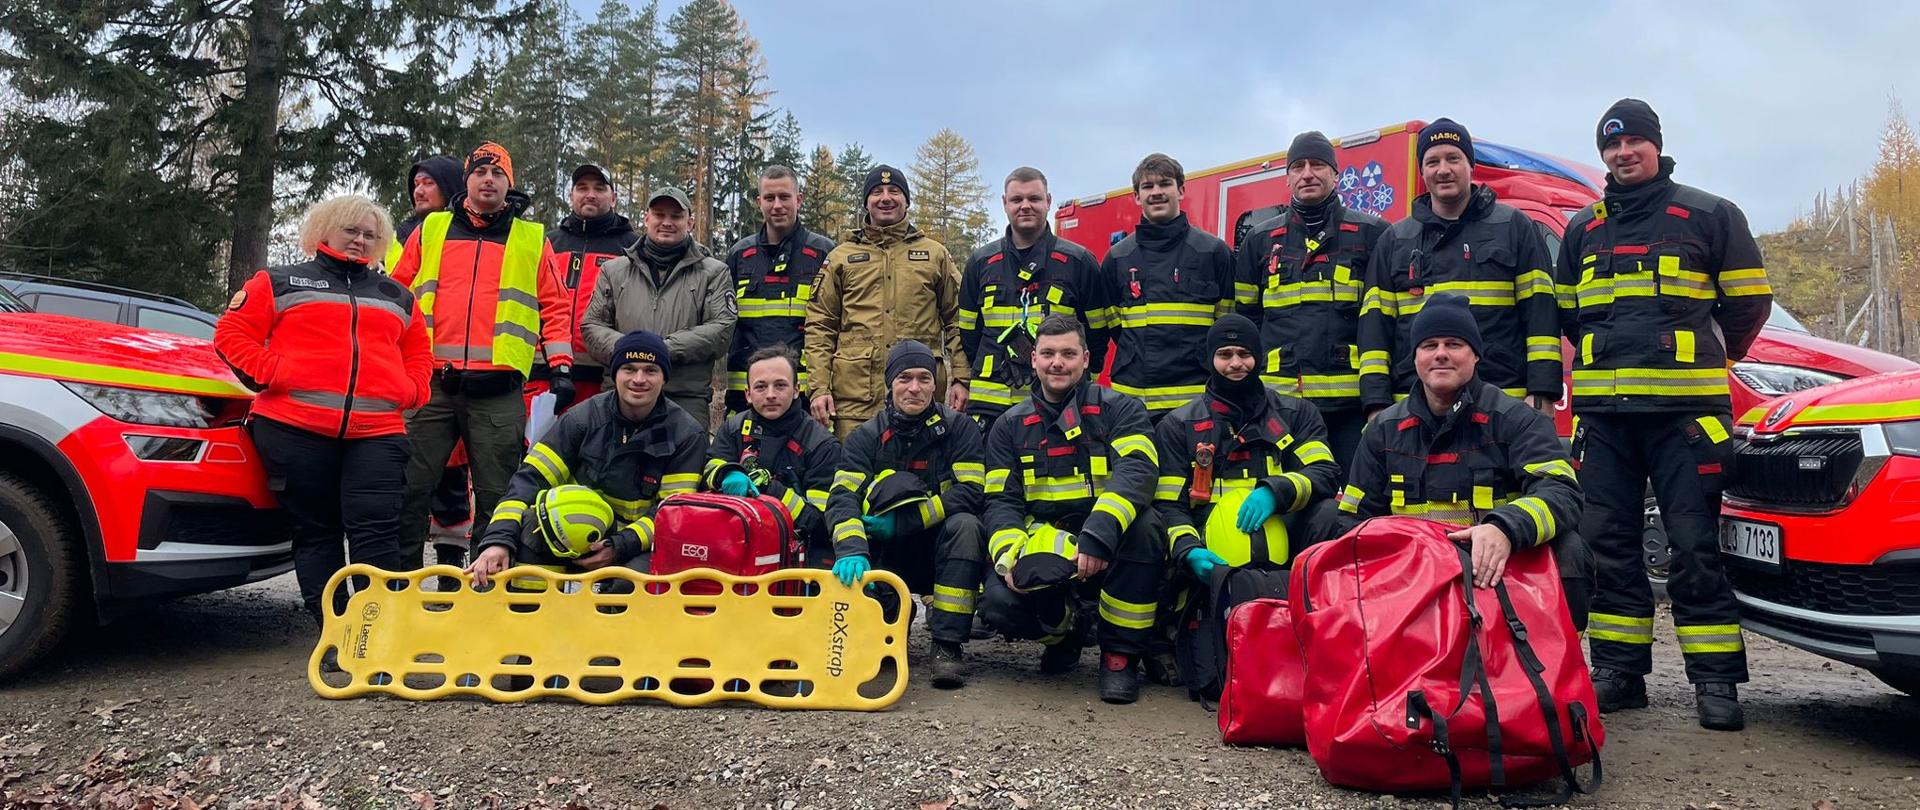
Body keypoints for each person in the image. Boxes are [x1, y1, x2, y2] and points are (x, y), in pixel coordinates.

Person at [1559, 99, 1773, 731]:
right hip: (1604, 419)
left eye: (1635, 143)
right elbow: (1570, 314)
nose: (1624, 154)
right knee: (1610, 547)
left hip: (1686, 417)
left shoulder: (1709, 215)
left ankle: (1715, 681)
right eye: (1612, 146)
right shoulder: (1582, 230)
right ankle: (1620, 673)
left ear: (1656, 145)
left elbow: (1749, 303)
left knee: (1694, 545)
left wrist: (1710, 355)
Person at [214, 195, 431, 630]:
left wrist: (409, 391)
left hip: (378, 432)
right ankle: (337, 632)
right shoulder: (278, 281)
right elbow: (231, 334)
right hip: (294, 429)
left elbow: (419, 355)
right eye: (351, 230)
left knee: (377, 534)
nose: (360, 240)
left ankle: (378, 632)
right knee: (317, 533)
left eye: (370, 235)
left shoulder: (398, 296)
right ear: (324, 230)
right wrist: (272, 371)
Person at [1334, 294, 1590, 626]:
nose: (1441, 354)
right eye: (1429, 345)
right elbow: (1351, 523)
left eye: (1454, 344)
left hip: (1497, 574)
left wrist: (1505, 529)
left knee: (1570, 549)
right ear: (1415, 359)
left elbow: (1563, 492)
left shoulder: (1515, 420)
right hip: (1409, 580)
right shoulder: (1382, 432)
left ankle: (1553, 668)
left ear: (1475, 355)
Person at [389, 142, 576, 570]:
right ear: (467, 180)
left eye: (497, 173)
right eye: (480, 172)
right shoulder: (432, 229)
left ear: (509, 184)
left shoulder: (531, 238)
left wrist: (561, 367)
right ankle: (397, 585)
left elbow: (555, 304)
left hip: (498, 391)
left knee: (498, 496)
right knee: (410, 489)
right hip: (431, 385)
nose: (488, 179)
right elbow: (396, 295)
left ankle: (486, 591)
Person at [978, 314, 1165, 704]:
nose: (1056, 363)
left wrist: (1099, 535)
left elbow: (1139, 471)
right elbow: (1001, 502)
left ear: (1085, 359)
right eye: (1047, 353)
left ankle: (1120, 656)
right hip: (1046, 551)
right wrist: (1011, 559)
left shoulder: (1121, 410)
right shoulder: (1008, 426)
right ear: (1033, 359)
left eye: (1067, 353)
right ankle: (1065, 633)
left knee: (1146, 525)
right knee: (997, 603)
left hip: (1108, 545)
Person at [1357, 119, 1561, 421]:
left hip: (1503, 400)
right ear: (1422, 171)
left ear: (1471, 165)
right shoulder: (1395, 240)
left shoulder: (1514, 227)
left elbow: (1541, 314)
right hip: (1416, 405)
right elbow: (1375, 327)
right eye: (1432, 161)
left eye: (1453, 158)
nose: (1443, 170)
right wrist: (1376, 403)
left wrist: (1542, 391)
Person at [467, 330, 707, 586]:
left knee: (630, 584)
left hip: (639, 544)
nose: (639, 379)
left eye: (650, 370)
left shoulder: (686, 434)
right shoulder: (581, 420)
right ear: (614, 373)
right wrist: (497, 542)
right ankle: (529, 617)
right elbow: (528, 482)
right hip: (566, 532)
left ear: (664, 378)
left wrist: (618, 546)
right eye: (628, 368)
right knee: (530, 532)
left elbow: (670, 513)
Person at [828, 340, 989, 688]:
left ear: (936, 384)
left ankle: (947, 645)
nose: (914, 388)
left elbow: (971, 492)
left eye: (924, 379)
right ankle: (891, 619)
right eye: (904, 378)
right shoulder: (866, 437)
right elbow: (842, 498)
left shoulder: (960, 430)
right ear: (890, 383)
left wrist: (904, 522)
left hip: (941, 551)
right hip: (887, 552)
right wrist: (852, 549)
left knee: (966, 526)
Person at [1152, 314, 1343, 588]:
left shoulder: (1297, 414)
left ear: (1259, 357)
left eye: (1244, 353)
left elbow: (1325, 472)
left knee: (1330, 512)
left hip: (1287, 546)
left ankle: (1321, 602)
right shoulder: (1178, 425)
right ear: (1209, 359)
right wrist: (1188, 549)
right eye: (1224, 354)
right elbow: (1169, 505)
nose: (1235, 363)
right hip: (1211, 552)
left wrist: (1275, 492)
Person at [1232, 132, 1389, 463]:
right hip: (1281, 405)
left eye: (1317, 164)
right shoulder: (1259, 240)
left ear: (1335, 174)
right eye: (1298, 166)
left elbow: (1384, 320)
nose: (1307, 173)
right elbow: (1247, 324)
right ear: (1287, 178)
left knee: (1351, 501)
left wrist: (1378, 401)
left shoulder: (1372, 234)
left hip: (1351, 408)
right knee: (1291, 497)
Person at [804, 164, 971, 438]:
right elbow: (820, 327)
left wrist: (962, 379)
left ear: (907, 200)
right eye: (877, 191)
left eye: (894, 191)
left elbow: (958, 320)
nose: (885, 197)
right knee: (853, 474)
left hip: (920, 397)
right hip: (855, 401)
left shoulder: (934, 255)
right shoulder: (840, 257)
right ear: (866, 203)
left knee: (920, 474)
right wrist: (819, 388)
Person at [957, 167, 1108, 431]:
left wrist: (1082, 376)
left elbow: (1097, 330)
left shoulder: (1078, 262)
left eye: (1034, 199)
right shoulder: (980, 262)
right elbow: (969, 332)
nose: (1025, 206)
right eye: (1017, 200)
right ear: (1005, 203)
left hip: (1059, 404)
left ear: (1048, 201)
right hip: (991, 406)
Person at [581, 186, 735, 429]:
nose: (667, 222)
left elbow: (721, 329)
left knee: (685, 466)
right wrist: (632, 353)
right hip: (622, 394)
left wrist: (661, 350)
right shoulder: (613, 270)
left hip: (684, 396)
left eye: (676, 216)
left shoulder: (714, 272)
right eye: (659, 215)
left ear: (690, 222)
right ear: (646, 218)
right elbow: (592, 326)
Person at [1100, 153, 1235, 418]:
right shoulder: (1117, 259)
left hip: (1197, 403)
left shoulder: (1213, 252)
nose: (1157, 192)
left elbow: (1227, 325)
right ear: (1137, 197)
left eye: (1165, 184)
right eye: (1148, 186)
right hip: (1132, 403)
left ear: (1181, 190)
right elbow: (1113, 328)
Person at [703, 346, 842, 560]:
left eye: (780, 385)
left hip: (793, 555)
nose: (770, 395)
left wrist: (771, 490)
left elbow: (820, 523)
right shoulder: (733, 429)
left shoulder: (821, 444)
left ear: (796, 390)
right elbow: (710, 469)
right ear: (748, 394)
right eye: (760, 387)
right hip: (732, 544)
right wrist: (727, 473)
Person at [724, 165, 837, 416]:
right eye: (769, 198)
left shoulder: (824, 253)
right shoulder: (739, 255)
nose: (777, 205)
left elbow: (835, 325)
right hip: (746, 396)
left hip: (807, 399)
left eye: (784, 197)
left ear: (799, 199)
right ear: (759, 202)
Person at [538, 163, 638, 408]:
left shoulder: (633, 248)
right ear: (571, 195)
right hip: (543, 370)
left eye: (599, 188)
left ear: (613, 198)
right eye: (582, 188)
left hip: (603, 375)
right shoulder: (548, 243)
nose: (590, 194)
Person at [385, 155, 462, 271]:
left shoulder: (477, 231)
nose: (418, 192)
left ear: (450, 187)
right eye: (416, 184)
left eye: (428, 183)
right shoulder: (402, 235)